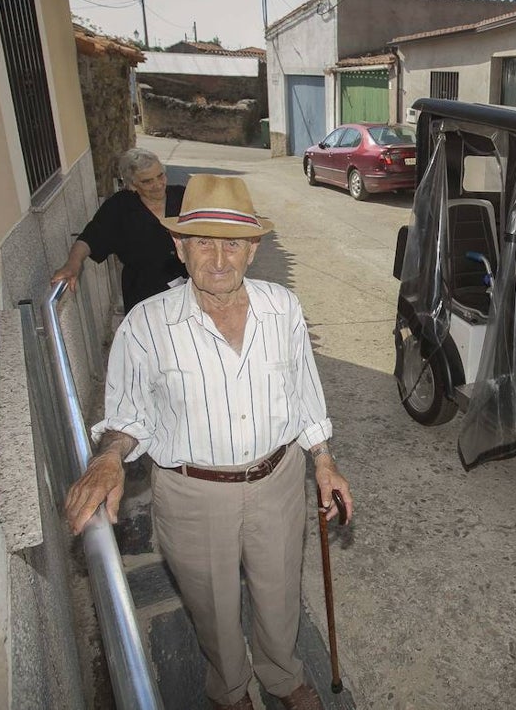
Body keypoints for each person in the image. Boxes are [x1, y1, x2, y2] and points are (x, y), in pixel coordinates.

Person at [64, 174, 353, 710]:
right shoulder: (147, 324)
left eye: (233, 243)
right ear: (179, 246)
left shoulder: (282, 308)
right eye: (203, 241)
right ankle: (230, 689)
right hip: (193, 494)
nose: (218, 258)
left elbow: (304, 392)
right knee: (212, 607)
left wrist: (324, 460)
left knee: (279, 592)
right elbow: (129, 413)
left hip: (279, 479)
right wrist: (108, 459)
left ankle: (283, 676)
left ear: (253, 250)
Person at [51, 148, 187, 311]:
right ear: (132, 184)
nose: (158, 185)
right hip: (144, 295)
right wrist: (73, 264)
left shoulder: (184, 197)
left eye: (160, 176)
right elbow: (89, 239)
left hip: (188, 289)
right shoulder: (120, 207)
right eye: (147, 181)